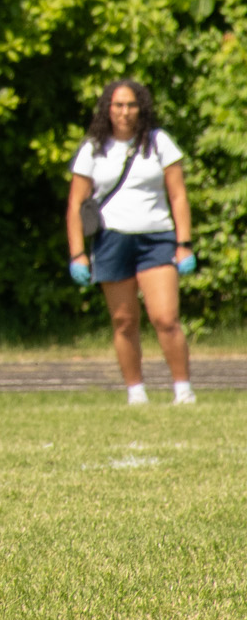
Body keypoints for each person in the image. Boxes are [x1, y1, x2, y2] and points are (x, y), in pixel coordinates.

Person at [66, 78, 195, 405]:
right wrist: (77, 254)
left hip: (156, 238)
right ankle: (135, 392)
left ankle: (183, 389)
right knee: (124, 320)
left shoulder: (159, 142)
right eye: (118, 105)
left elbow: (178, 195)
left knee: (165, 318)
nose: (124, 112)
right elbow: (75, 205)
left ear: (141, 108)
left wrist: (184, 244)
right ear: (108, 109)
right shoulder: (93, 149)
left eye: (131, 105)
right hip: (111, 240)